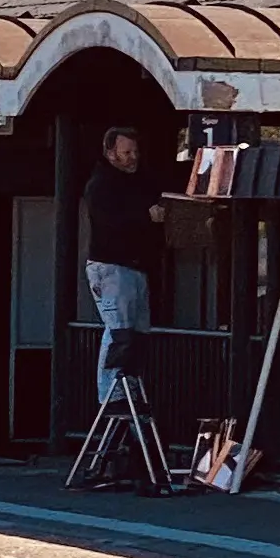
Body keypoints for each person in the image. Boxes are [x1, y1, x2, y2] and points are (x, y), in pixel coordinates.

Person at [82, 128, 168, 404]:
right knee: (119, 331)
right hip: (111, 265)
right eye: (126, 152)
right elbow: (110, 221)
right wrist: (145, 216)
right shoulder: (101, 185)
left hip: (135, 266)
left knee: (138, 332)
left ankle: (128, 386)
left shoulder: (137, 182)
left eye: (135, 152)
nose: (133, 158)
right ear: (111, 153)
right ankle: (110, 395)